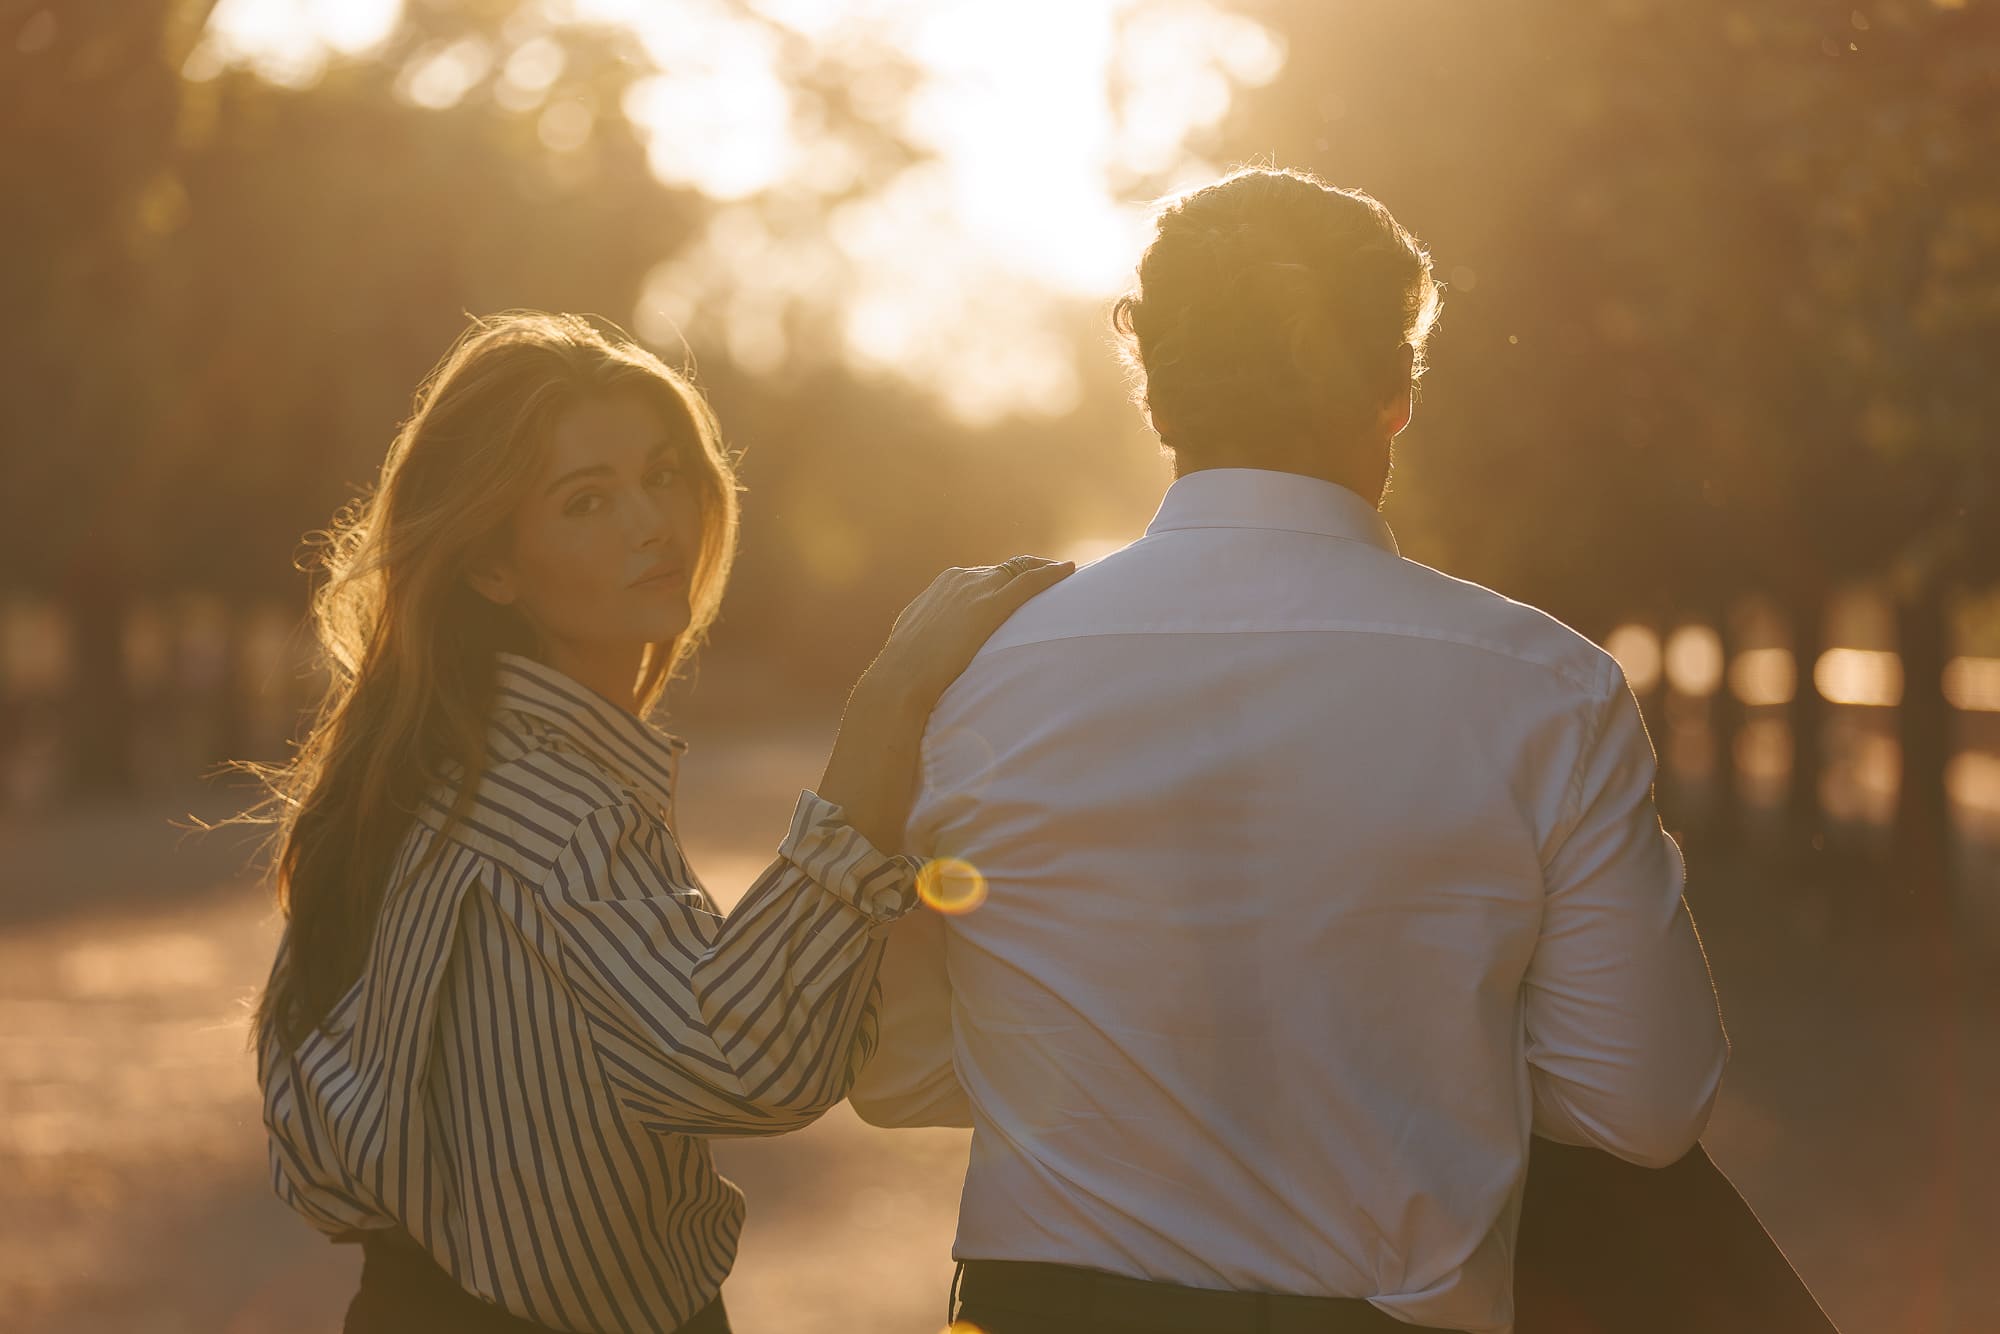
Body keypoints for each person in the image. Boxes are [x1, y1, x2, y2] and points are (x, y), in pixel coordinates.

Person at [847, 168, 1731, 1334]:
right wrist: (1411, 1063)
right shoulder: (1544, 685)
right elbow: (1642, 1102)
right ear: (1395, 392)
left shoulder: (978, 671)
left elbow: (896, 1072)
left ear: (1156, 399)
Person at [245, 311, 1071, 1334]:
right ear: (493, 567)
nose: (651, 522)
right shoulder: (546, 804)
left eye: (662, 475)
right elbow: (745, 1062)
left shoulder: (455, 765)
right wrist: (891, 698)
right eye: (587, 501)